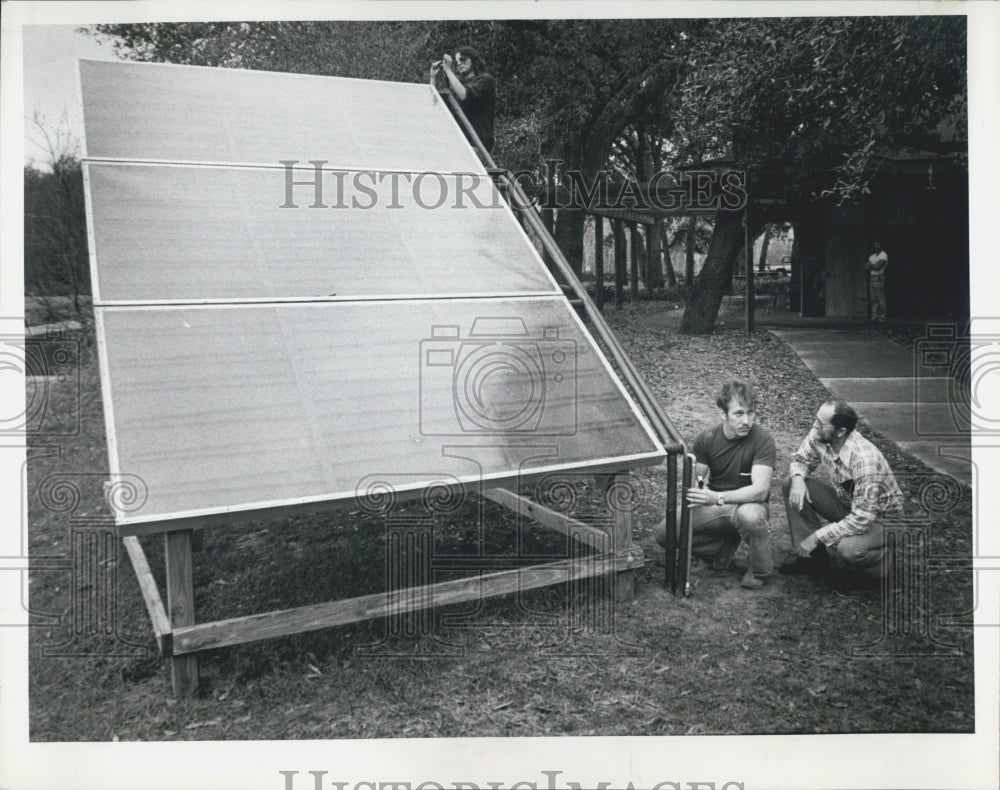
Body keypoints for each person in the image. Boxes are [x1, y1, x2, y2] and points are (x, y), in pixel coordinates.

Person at [654, 380, 776, 589]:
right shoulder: (707, 438)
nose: (746, 420)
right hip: (716, 505)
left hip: (746, 504)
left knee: (751, 517)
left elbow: (760, 490)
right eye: (739, 413)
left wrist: (717, 497)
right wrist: (700, 490)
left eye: (750, 413)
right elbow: (695, 479)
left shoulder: (763, 439)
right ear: (723, 414)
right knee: (664, 533)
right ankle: (720, 551)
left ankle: (760, 571)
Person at [781, 399, 904, 579]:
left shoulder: (864, 459)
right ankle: (813, 558)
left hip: (883, 519)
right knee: (791, 483)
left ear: (841, 431)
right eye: (816, 420)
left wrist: (816, 537)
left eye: (821, 424)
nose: (814, 427)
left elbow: (862, 519)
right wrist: (798, 479)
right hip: (849, 504)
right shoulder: (820, 434)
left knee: (847, 549)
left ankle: (883, 562)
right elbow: (801, 460)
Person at [430, 46, 496, 153]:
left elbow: (465, 95)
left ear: (473, 59)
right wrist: (433, 77)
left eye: (463, 59)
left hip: (478, 144)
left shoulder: (486, 80)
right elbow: (436, 104)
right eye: (457, 62)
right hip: (458, 143)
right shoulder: (458, 84)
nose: (459, 63)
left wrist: (448, 71)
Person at [866, 241, 889, 322]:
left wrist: (871, 264)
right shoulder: (872, 256)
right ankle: (875, 316)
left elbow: (877, 267)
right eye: (875, 245)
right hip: (872, 277)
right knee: (873, 298)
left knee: (880, 297)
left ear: (881, 245)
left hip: (879, 277)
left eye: (878, 244)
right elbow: (867, 268)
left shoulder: (883, 255)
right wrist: (873, 265)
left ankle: (881, 316)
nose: (876, 246)